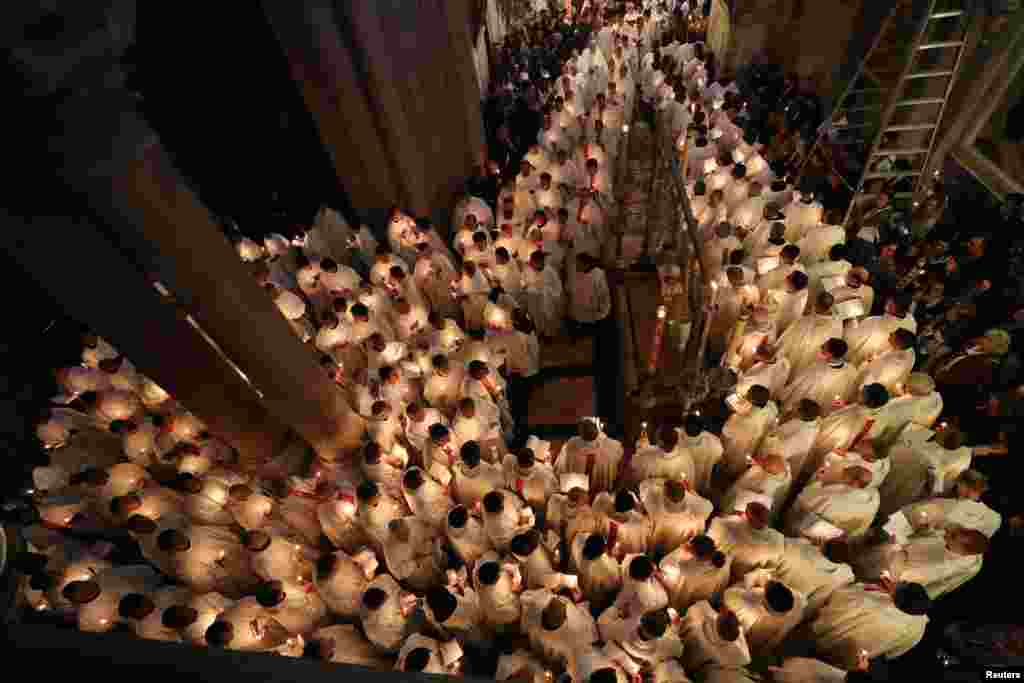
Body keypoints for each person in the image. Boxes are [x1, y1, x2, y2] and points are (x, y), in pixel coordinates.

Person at [801, 580, 930, 668]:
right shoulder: (908, 630)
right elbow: (888, 654)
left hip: (815, 635)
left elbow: (837, 596)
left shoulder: (868, 598)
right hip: (837, 661)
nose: (898, 582)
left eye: (902, 583)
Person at [723, 574, 806, 657]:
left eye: (766, 607)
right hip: (742, 603)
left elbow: (777, 636)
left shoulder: (792, 606)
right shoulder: (762, 593)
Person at [777, 292, 844, 375]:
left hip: (798, 359)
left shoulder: (803, 321)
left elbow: (784, 340)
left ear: (816, 305)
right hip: (810, 366)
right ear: (831, 307)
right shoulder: (838, 324)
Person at [721, 385, 778, 480]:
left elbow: (727, 431)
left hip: (738, 446)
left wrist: (734, 414)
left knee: (732, 463)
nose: (746, 394)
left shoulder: (744, 419)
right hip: (754, 444)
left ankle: (728, 477)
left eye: (748, 393)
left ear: (753, 401)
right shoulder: (772, 407)